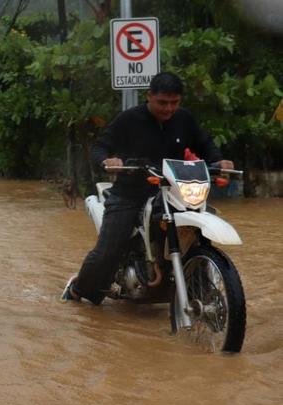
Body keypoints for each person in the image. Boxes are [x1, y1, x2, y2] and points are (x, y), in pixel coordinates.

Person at [61, 71, 234, 304]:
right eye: (162, 102)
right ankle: (77, 290)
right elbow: (100, 147)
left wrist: (219, 161)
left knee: (197, 234)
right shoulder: (129, 119)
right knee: (109, 250)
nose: (168, 108)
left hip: (173, 193)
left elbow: (205, 144)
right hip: (130, 193)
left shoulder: (184, 120)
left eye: (174, 103)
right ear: (149, 96)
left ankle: (198, 288)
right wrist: (108, 161)